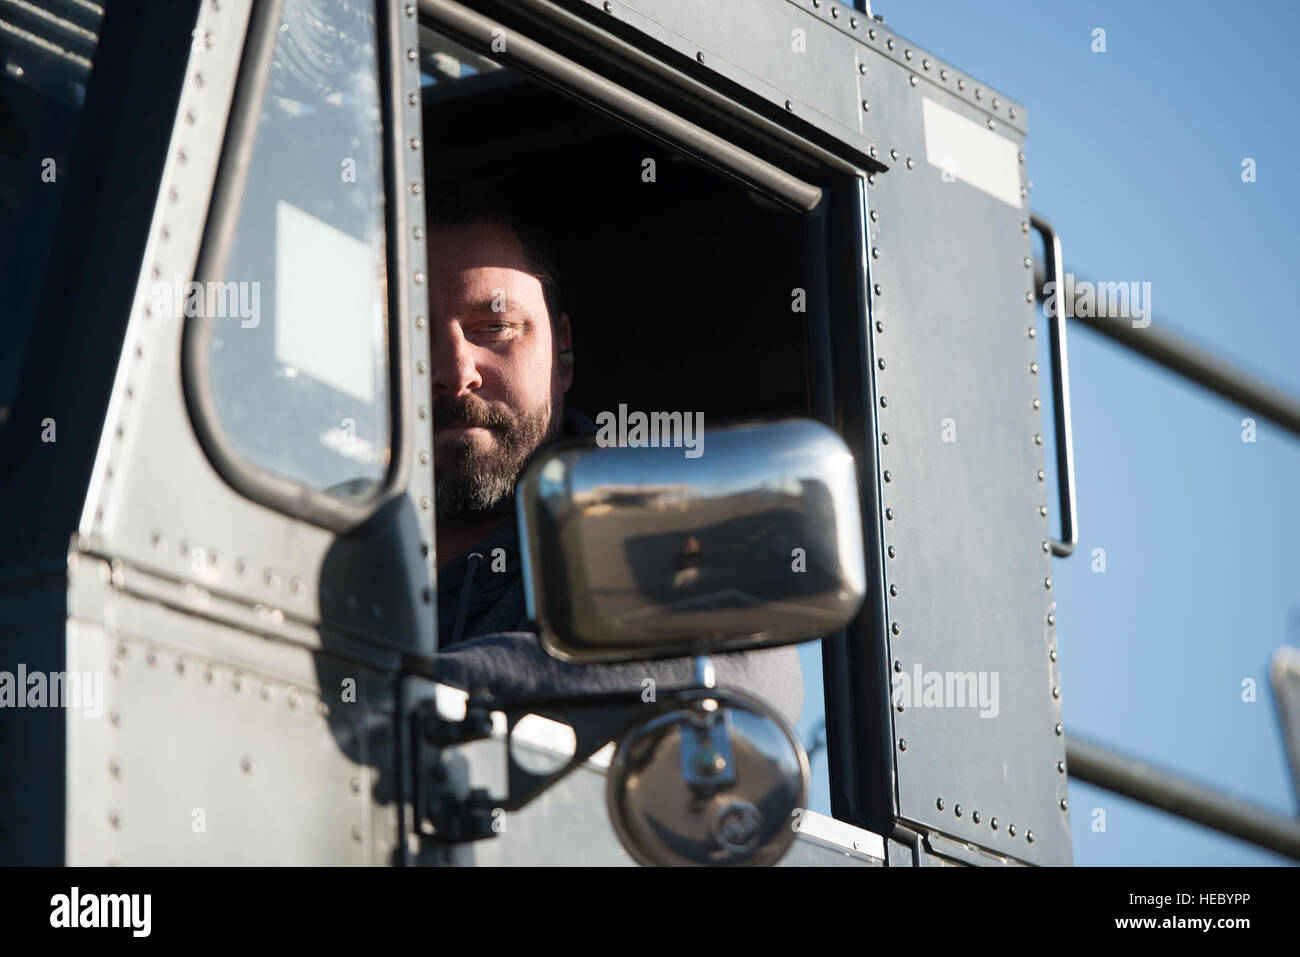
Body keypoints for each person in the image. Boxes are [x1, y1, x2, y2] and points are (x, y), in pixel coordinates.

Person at [423, 186, 804, 728]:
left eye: (495, 328)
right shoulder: (306, 537)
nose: (456, 372)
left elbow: (738, 683)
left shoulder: (663, 515)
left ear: (563, 352)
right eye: (410, 334)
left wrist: (415, 698)